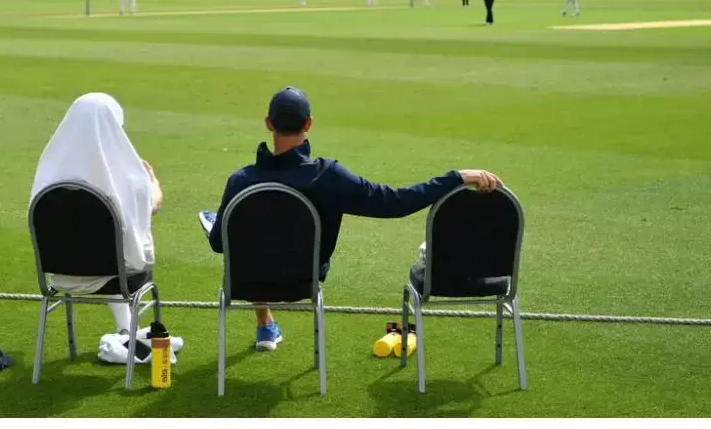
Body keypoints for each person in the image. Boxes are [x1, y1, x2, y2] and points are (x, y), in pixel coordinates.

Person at [206, 87, 503, 352]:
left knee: (259, 236)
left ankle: (264, 324)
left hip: (247, 284)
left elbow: (219, 244)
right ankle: (266, 324)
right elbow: (395, 202)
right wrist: (455, 177)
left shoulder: (240, 181)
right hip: (303, 281)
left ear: (268, 124)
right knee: (272, 233)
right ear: (308, 125)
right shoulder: (327, 176)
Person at [29, 93, 163, 334]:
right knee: (117, 252)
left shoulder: (49, 171)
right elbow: (152, 207)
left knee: (101, 248)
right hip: (117, 274)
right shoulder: (131, 177)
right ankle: (132, 335)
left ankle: (126, 331)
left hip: (60, 274)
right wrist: (153, 184)